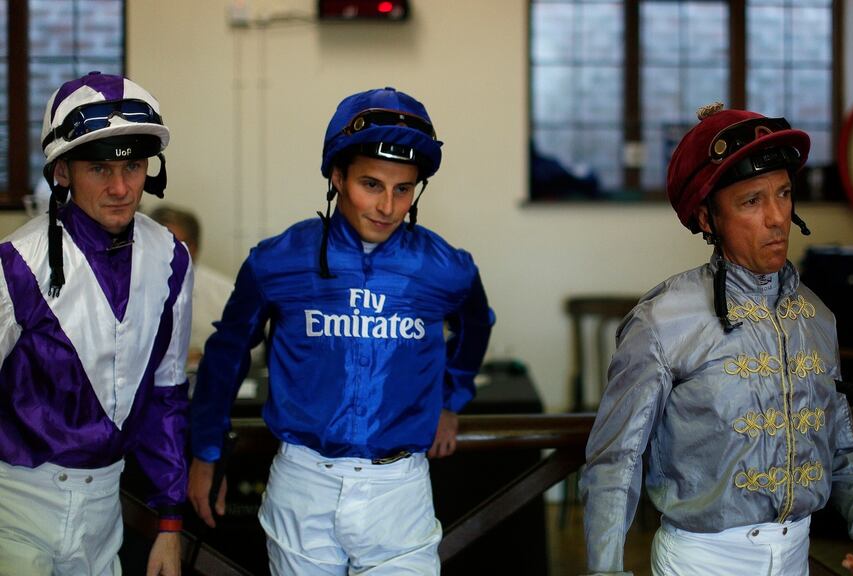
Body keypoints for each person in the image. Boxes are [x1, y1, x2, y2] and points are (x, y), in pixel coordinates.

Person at [580, 103, 853, 576]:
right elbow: (617, 461)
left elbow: (838, 446)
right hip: (702, 562)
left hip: (796, 557)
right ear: (707, 218)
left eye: (784, 193)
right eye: (751, 201)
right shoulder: (663, 322)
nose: (776, 217)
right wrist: (605, 570)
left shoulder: (816, 317)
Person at [188, 87, 494, 575]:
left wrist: (451, 399)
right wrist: (206, 452)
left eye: (403, 189)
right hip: (302, 481)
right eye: (371, 184)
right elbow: (227, 354)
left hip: (401, 488)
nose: (387, 206)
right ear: (337, 176)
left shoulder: (446, 268)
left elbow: (476, 325)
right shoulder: (278, 260)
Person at [0, 71, 191, 576]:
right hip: (15, 504)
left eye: (133, 166)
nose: (121, 188)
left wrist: (170, 523)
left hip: (107, 510)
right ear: (62, 171)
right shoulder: (16, 263)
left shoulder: (171, 257)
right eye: (100, 168)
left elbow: (167, 393)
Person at [150, 205, 235, 371]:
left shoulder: (225, 293)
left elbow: (254, 348)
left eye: (174, 244)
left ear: (194, 248)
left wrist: (206, 354)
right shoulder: (127, 292)